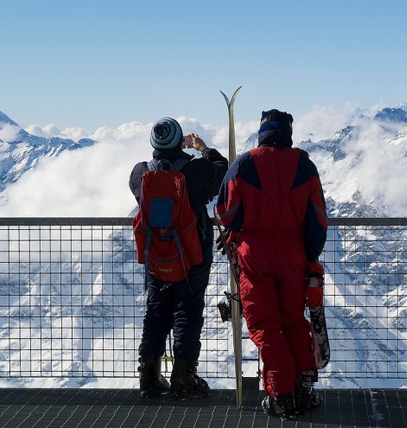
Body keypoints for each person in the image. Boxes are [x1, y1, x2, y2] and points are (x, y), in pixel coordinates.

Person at [215, 109, 328, 419]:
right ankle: (304, 388)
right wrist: (309, 257)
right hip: (293, 252)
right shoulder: (304, 164)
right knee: (293, 320)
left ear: (263, 129)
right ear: (288, 131)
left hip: (254, 253)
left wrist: (239, 230)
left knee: (266, 325)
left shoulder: (245, 163)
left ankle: (281, 395)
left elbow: (224, 211)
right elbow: (317, 219)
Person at [129, 117, 228, 400]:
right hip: (192, 253)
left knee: (156, 310)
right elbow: (222, 172)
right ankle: (184, 377)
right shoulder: (196, 171)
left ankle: (148, 376)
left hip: (156, 254)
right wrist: (203, 148)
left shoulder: (139, 173)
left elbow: (139, 194)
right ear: (179, 140)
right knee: (188, 309)